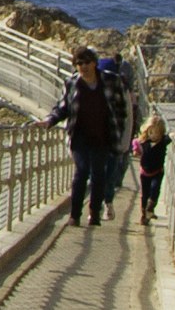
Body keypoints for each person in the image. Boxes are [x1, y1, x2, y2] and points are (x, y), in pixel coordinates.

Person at [51, 49, 121, 226]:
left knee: (98, 175)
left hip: (102, 136)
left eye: (86, 62)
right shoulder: (72, 83)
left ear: (94, 63)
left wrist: (120, 132)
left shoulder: (110, 80)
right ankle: (75, 215)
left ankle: (94, 213)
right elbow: (63, 107)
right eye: (79, 63)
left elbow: (121, 108)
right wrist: (49, 120)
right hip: (79, 136)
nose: (83, 67)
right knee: (81, 171)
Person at [132, 114, 169, 224]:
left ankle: (150, 207)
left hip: (157, 171)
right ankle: (144, 215)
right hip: (145, 172)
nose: (153, 136)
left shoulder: (162, 142)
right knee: (145, 194)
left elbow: (169, 137)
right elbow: (135, 142)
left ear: (161, 133)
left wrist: (172, 134)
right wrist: (135, 151)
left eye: (157, 133)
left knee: (155, 188)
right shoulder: (144, 143)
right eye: (151, 132)